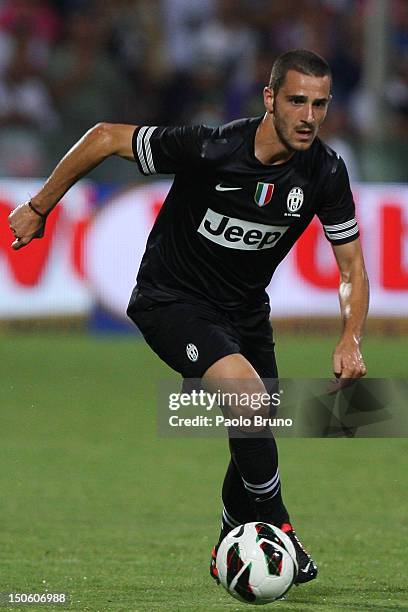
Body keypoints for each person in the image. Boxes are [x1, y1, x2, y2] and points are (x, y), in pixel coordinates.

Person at [8, 49, 369, 588]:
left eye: (319, 104)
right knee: (248, 403)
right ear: (270, 98)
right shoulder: (213, 147)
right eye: (296, 100)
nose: (308, 116)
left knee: (255, 428)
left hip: (245, 313)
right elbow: (105, 135)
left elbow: (352, 267)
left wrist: (351, 338)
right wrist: (39, 206)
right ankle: (280, 530)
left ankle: (234, 529)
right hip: (170, 300)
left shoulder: (325, 172)